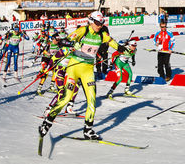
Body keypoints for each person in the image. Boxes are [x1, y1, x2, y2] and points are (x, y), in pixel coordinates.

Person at [39, 11, 125, 140]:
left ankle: (88, 130)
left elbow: (113, 42)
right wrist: (72, 43)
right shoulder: (83, 31)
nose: (99, 25)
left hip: (88, 71)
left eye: (101, 23)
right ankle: (47, 122)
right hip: (74, 68)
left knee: (92, 101)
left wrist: (121, 48)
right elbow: (63, 42)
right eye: (97, 23)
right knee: (66, 98)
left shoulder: (102, 34)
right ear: (91, 21)